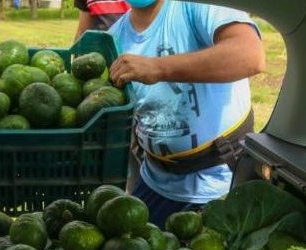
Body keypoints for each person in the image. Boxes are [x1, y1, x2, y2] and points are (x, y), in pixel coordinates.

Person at [108, 0, 264, 227]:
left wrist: (158, 68)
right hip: (154, 179)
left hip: (220, 183)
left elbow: (250, 55)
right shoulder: (114, 37)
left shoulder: (197, 5)